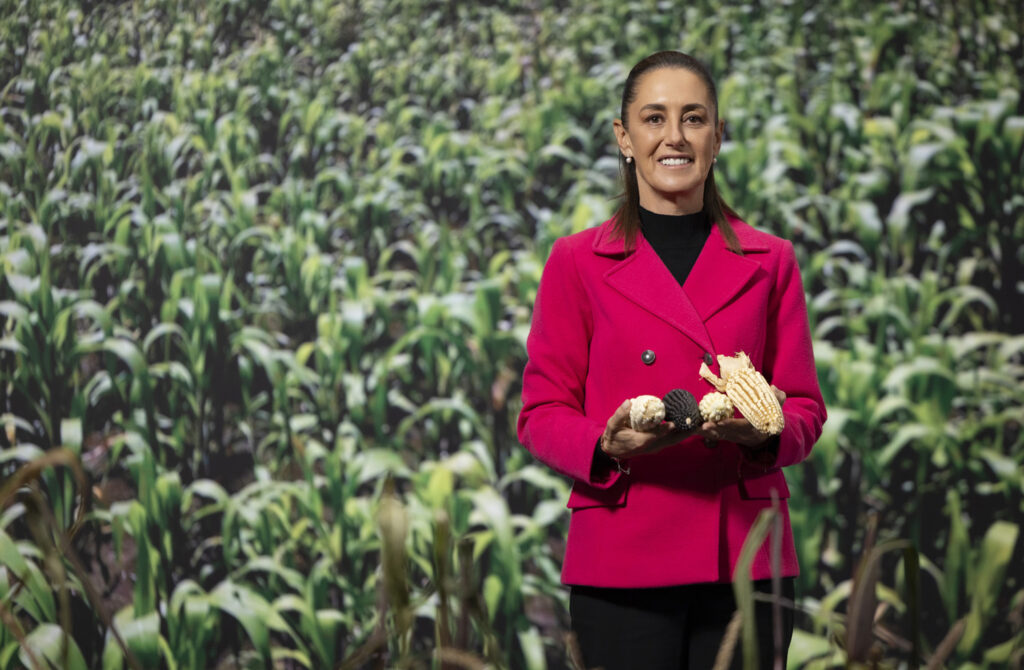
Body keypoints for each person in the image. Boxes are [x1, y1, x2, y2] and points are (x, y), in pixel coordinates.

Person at [516, 51, 827, 669]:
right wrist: (604, 445)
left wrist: (764, 433)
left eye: (694, 118)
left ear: (718, 135)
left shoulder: (771, 260)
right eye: (654, 118)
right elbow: (541, 412)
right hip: (622, 551)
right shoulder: (576, 262)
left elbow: (806, 409)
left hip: (743, 556)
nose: (675, 137)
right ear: (624, 137)